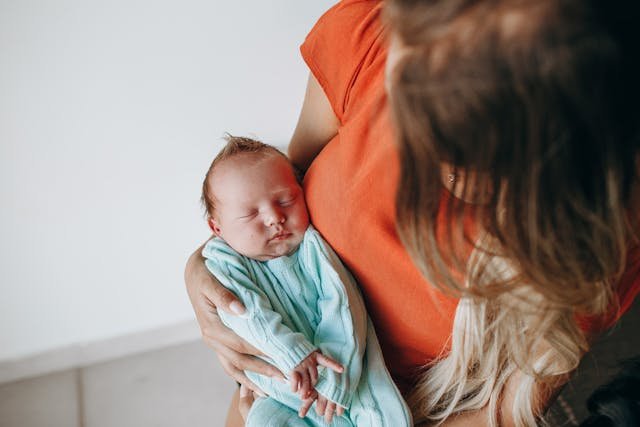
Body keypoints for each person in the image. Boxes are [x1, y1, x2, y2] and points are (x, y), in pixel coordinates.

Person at [185, 1, 640, 426]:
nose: (429, 157)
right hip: (290, 377)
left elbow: (501, 408)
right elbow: (281, 190)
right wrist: (201, 270)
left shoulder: (610, 219)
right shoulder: (374, 30)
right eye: (414, 106)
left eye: (474, 144)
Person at [199, 135, 412, 427]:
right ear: (217, 228)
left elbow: (343, 308)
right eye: (250, 214)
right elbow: (247, 314)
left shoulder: (313, 248)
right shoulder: (224, 263)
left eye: (286, 200)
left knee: (386, 417)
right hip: (280, 392)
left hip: (348, 374)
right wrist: (293, 352)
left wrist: (335, 380)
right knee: (263, 421)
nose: (275, 217)